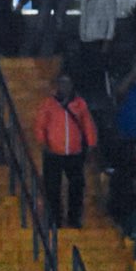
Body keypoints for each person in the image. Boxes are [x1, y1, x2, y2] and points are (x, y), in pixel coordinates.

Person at [34, 72, 99, 229]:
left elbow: (87, 124)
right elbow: (40, 124)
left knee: (76, 186)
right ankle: (55, 220)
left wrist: (91, 144)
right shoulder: (48, 104)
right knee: (52, 188)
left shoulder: (80, 104)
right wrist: (43, 142)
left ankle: (74, 219)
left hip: (74, 152)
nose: (65, 86)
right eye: (62, 83)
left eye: (67, 83)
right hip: (53, 152)